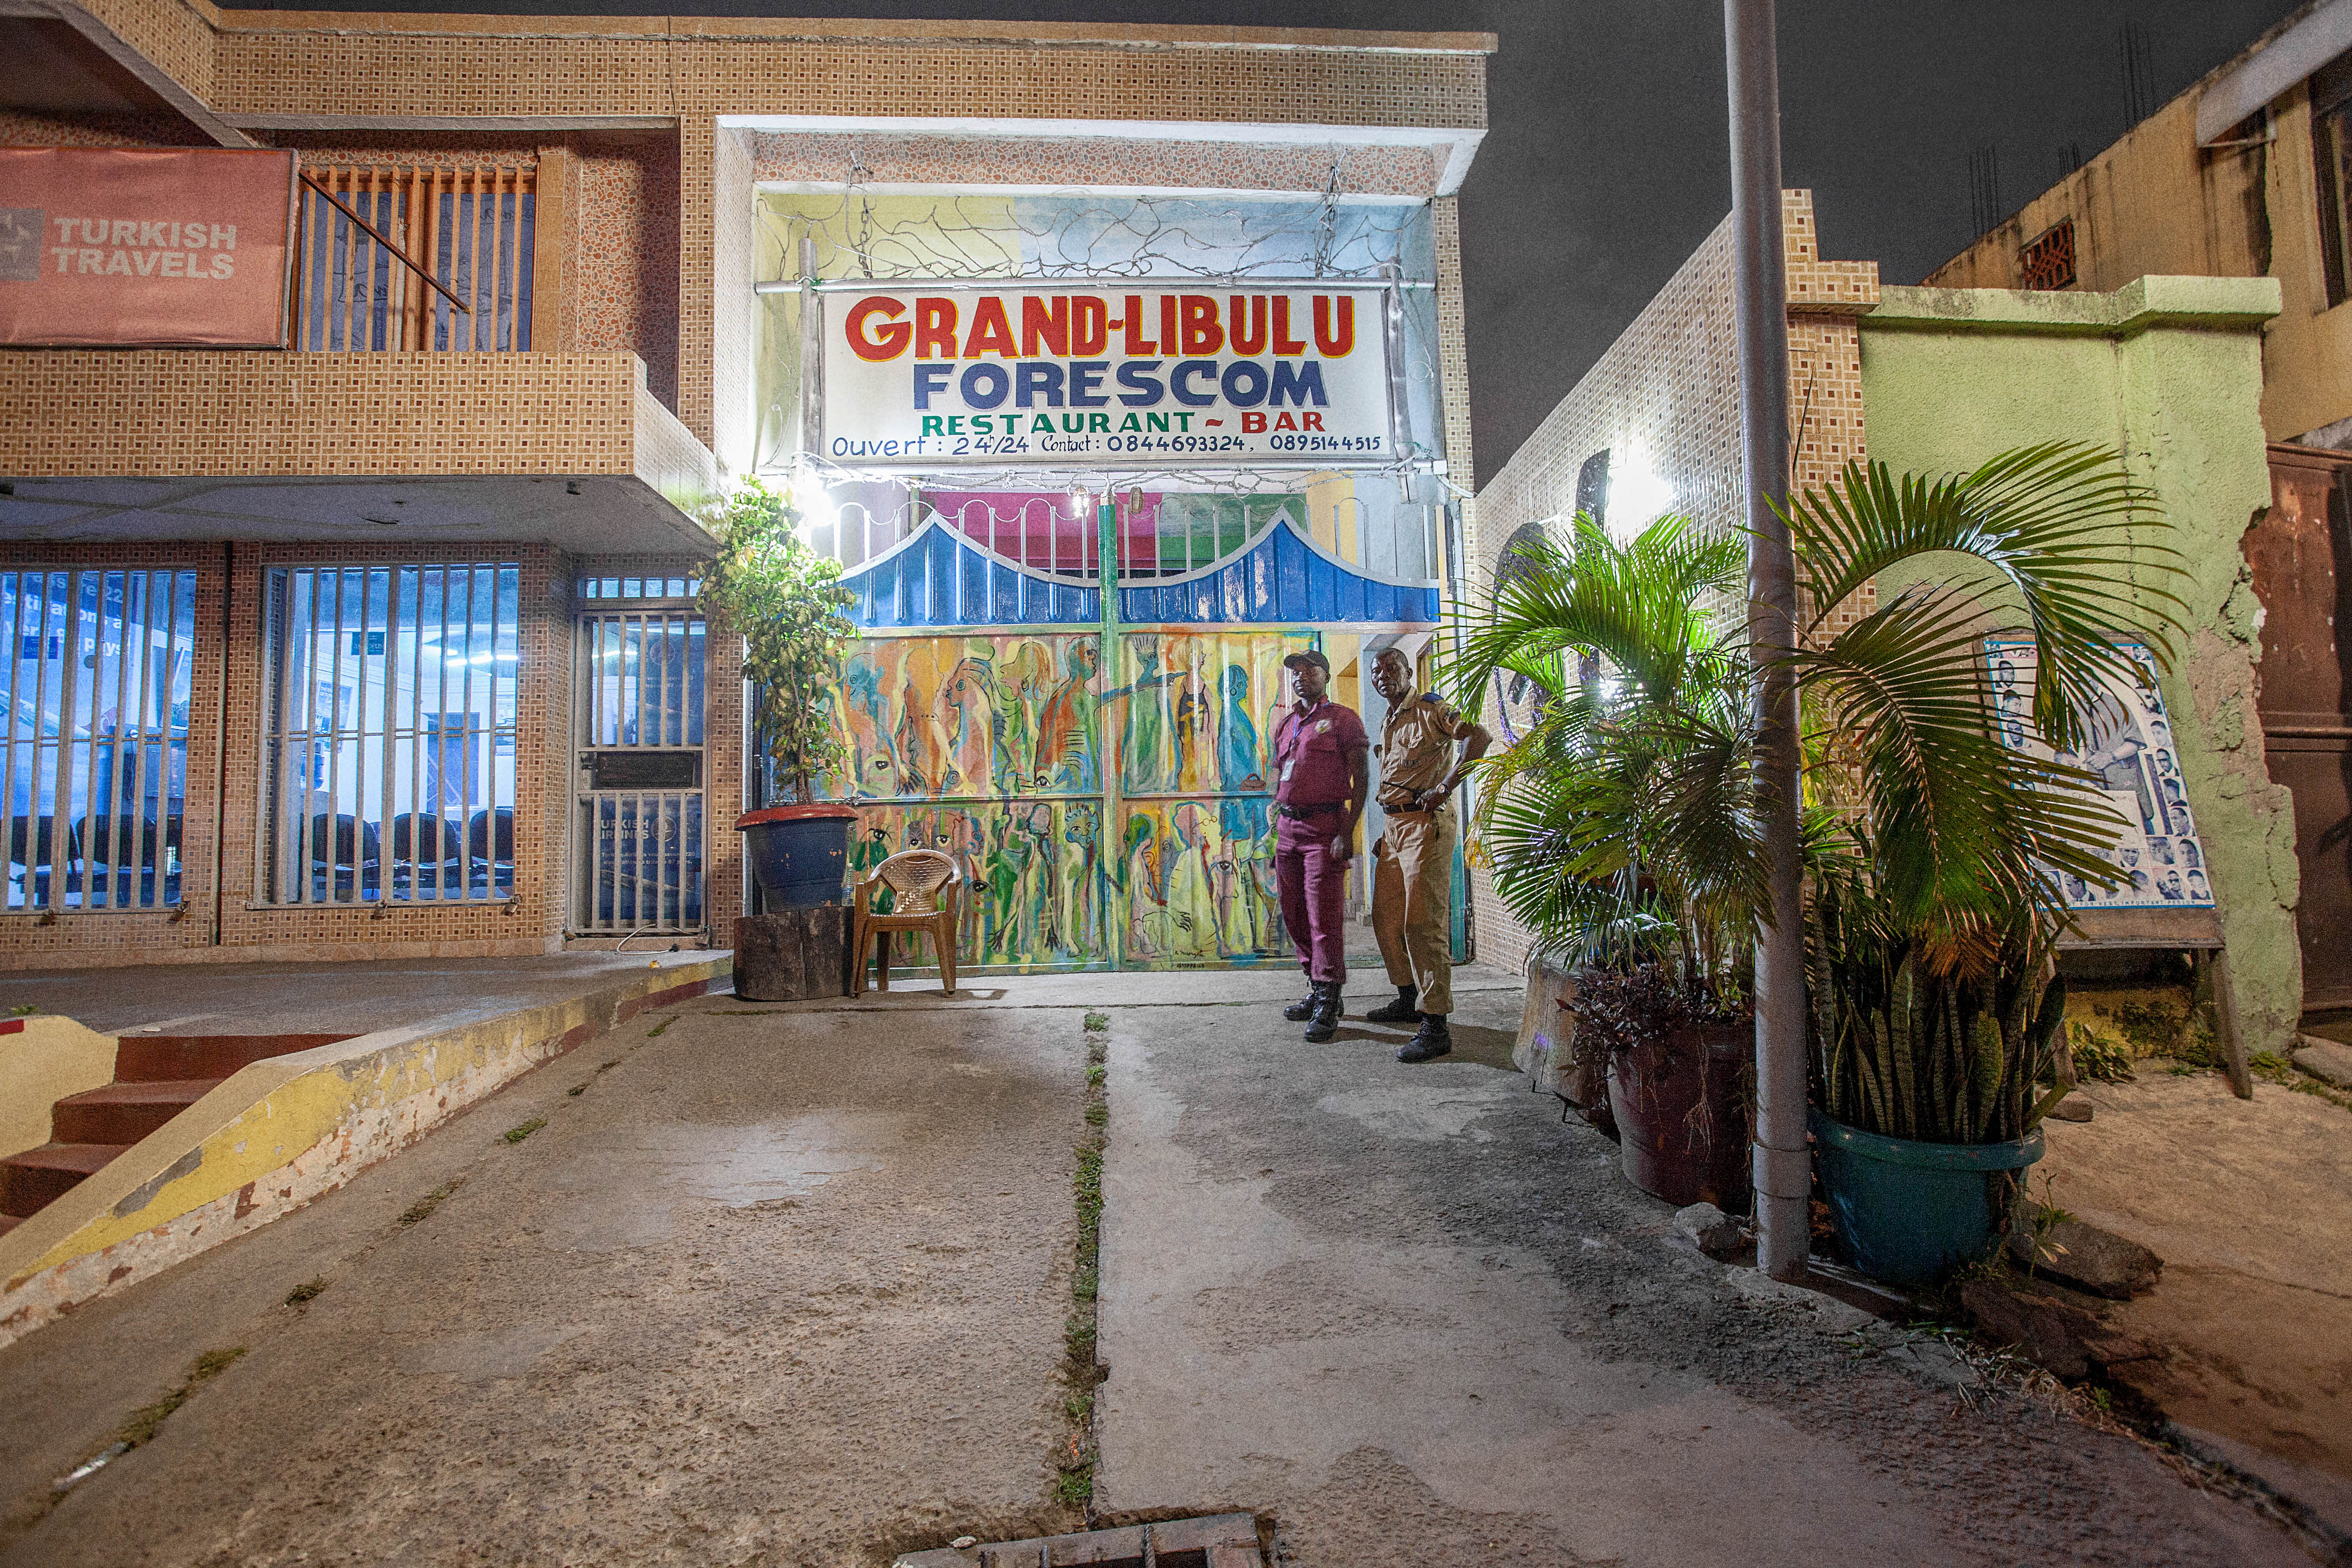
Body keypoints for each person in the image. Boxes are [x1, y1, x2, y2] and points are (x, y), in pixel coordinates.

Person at [1365, 646, 1491, 1062]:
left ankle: (1435, 1023)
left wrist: (1446, 786)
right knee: (1385, 916)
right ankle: (1406, 997)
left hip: (1426, 824)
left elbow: (1479, 736)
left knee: (1422, 920)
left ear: (1407, 670)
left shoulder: (1432, 708)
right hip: (1395, 827)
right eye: (1376, 670)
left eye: (1390, 667)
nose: (1383, 675)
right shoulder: (1389, 719)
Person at [1272, 648, 1368, 1042]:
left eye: (1310, 670)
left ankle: (1329, 999)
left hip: (1325, 829)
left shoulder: (1343, 720)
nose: (1301, 676)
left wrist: (1348, 831)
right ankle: (1315, 985)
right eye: (1295, 672)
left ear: (1326, 676)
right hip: (1287, 830)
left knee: (1323, 917)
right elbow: (1280, 775)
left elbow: (1361, 776)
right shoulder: (1285, 723)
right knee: (1293, 913)